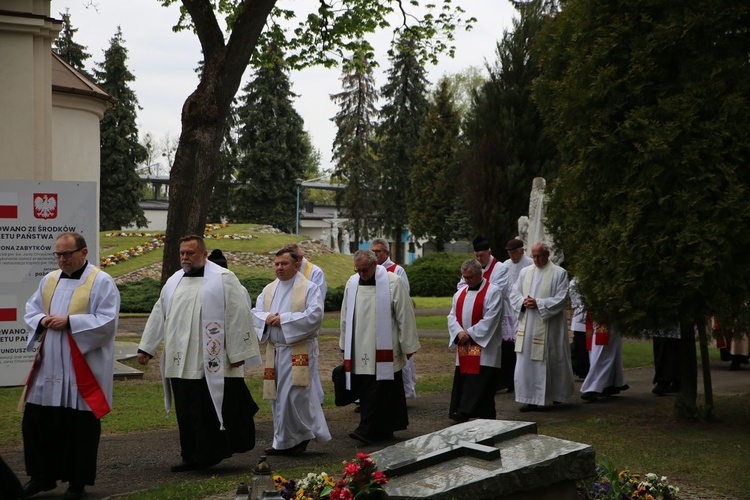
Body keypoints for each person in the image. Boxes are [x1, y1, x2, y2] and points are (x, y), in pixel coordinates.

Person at [138, 235, 261, 472]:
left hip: (211, 358)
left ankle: (209, 454)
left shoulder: (224, 279)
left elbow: (239, 314)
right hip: (180, 359)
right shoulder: (174, 282)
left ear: (204, 255)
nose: (185, 257)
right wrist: (147, 347)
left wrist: (239, 352)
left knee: (207, 408)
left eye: (190, 253)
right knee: (186, 409)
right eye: (182, 253)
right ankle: (190, 455)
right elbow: (159, 313)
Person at [21, 232, 120, 500]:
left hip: (82, 368)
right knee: (38, 420)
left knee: (80, 425)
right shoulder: (49, 280)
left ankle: (78, 483)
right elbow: (31, 310)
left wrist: (72, 322)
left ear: (84, 252)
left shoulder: (101, 282)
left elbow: (107, 322)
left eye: (67, 254)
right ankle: (41, 477)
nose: (62, 259)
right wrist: (42, 320)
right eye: (58, 254)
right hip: (50, 363)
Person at [252, 248, 331, 456]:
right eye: (277, 263)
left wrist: (283, 320)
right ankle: (284, 441)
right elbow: (255, 312)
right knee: (277, 397)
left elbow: (315, 315)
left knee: (294, 395)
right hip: (275, 351)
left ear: (296, 265)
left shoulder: (309, 288)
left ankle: (300, 436)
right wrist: (267, 319)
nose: (279, 267)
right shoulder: (269, 289)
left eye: (284, 264)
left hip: (298, 350)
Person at [340, 250, 420, 444]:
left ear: (375, 265)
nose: (361, 274)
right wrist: (344, 344)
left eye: (364, 270)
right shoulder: (352, 283)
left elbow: (405, 315)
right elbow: (345, 314)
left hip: (386, 346)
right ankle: (383, 429)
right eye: (357, 270)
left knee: (383, 389)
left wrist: (408, 345)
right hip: (359, 347)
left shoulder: (393, 282)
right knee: (367, 389)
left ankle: (366, 430)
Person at [510, 241, 574, 412]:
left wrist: (538, 303)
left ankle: (555, 396)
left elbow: (561, 298)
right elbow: (514, 293)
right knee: (527, 362)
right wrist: (523, 302)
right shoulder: (525, 272)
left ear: (547, 254)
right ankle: (529, 398)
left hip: (550, 327)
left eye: (539, 255)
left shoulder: (559, 273)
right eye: (534, 256)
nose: (536, 259)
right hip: (528, 326)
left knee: (551, 360)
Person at [447, 259, 504, 422]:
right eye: (464, 277)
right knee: (465, 378)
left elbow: (491, 319)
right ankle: (469, 412)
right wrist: (458, 333)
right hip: (465, 345)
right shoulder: (459, 294)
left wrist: (470, 334)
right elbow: (451, 316)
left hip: (484, 347)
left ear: (480, 274)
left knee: (481, 382)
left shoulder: (493, 292)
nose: (466, 281)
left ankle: (468, 412)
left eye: (470, 277)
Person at [370, 237, 417, 400]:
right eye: (372, 251)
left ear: (387, 253)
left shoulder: (397, 270)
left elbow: (403, 296)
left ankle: (403, 393)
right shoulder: (368, 269)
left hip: (392, 321)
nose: (375, 254)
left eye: (378, 251)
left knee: (397, 358)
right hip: (373, 321)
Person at [283, 243, 328, 403]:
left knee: (308, 366)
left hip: (304, 325)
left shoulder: (314, 272)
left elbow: (318, 302)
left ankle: (316, 400)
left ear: (300, 258)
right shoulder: (286, 271)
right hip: (288, 325)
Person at [497, 238, 534, 393]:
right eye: (509, 253)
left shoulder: (530, 264)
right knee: (507, 345)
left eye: (514, 252)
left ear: (521, 251)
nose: (512, 256)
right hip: (508, 309)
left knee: (521, 344)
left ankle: (520, 379)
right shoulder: (505, 265)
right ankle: (506, 379)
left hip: (524, 308)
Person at [580, 319, 629, 402]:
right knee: (600, 353)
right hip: (597, 320)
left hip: (606, 320)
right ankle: (610, 384)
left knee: (602, 355)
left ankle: (593, 388)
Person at [568, 277, 590, 380]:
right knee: (580, 346)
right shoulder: (574, 282)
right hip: (581, 317)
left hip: (589, 318)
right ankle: (582, 370)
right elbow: (576, 301)